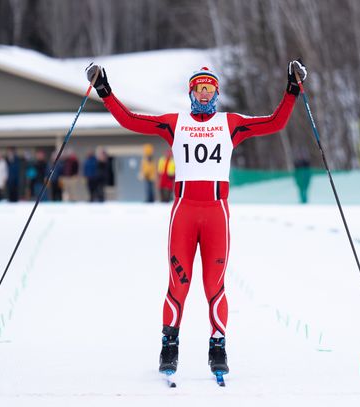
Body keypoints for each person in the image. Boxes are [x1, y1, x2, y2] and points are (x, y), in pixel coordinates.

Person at [86, 59, 307, 379]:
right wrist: (104, 89)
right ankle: (169, 345)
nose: (204, 94)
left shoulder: (230, 123)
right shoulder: (174, 122)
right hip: (184, 211)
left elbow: (275, 122)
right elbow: (131, 120)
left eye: (210, 89)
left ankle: (218, 346)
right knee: (179, 282)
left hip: (216, 211)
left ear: (216, 93)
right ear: (191, 92)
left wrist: (292, 89)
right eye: (199, 89)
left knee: (214, 285)